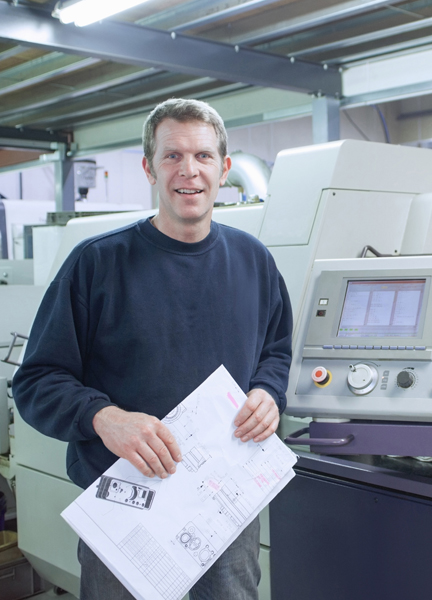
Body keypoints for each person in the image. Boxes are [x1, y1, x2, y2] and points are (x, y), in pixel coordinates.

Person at [12, 98, 292, 600]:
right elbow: (35, 382)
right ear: (149, 168)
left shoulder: (254, 261)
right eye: (172, 156)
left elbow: (276, 350)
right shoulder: (96, 264)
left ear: (224, 168)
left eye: (203, 156)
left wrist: (269, 393)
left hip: (224, 503)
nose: (189, 170)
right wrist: (105, 418)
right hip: (126, 503)